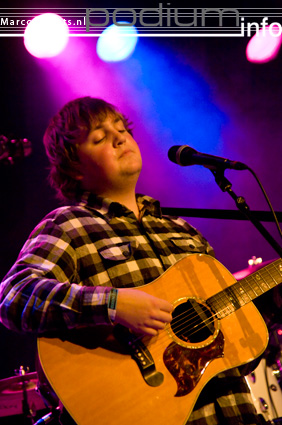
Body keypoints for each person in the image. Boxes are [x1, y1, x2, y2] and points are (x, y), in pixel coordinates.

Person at [0, 97, 262, 425]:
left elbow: (233, 339)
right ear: (75, 168)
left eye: (122, 129)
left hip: (235, 413)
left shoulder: (181, 229)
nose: (120, 137)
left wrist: (269, 305)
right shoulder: (67, 225)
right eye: (99, 137)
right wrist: (112, 304)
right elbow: (15, 296)